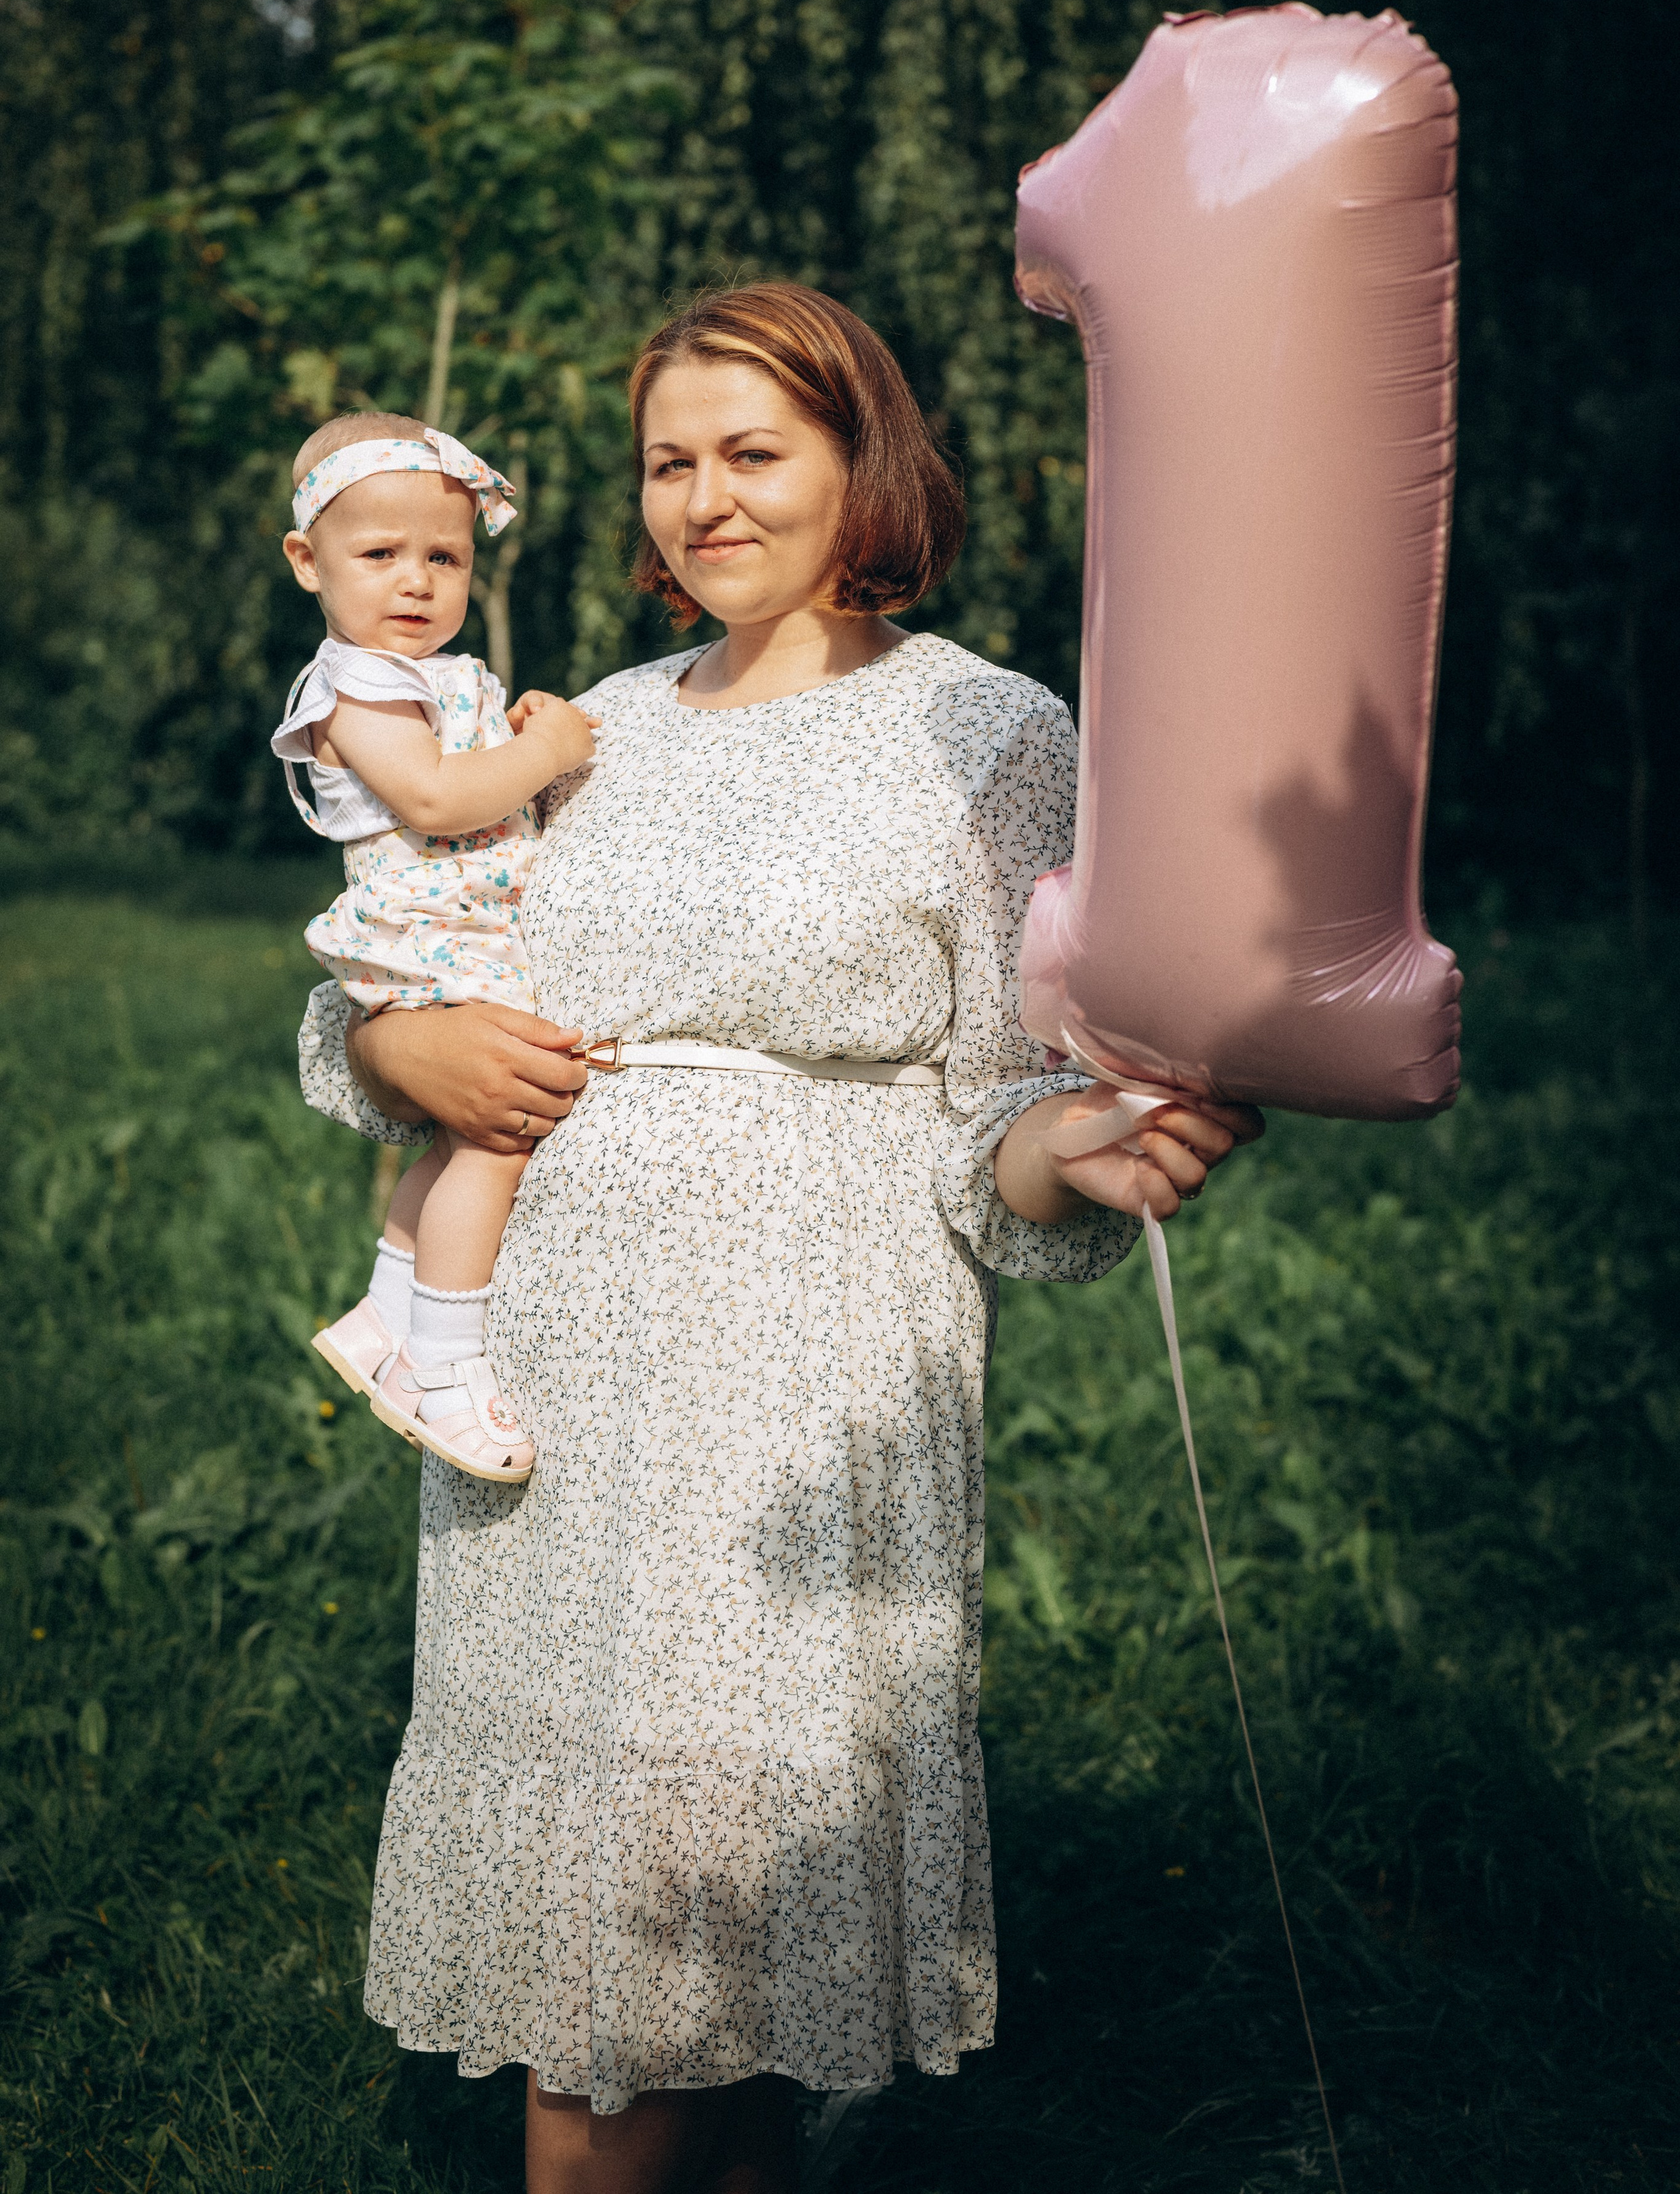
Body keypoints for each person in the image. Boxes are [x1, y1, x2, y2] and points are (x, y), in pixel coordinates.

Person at [296, 285, 1259, 2193]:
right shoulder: (588, 723)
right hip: (554, 1366)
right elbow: (394, 966)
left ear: (861, 461)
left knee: (723, 1949)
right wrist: (404, 1049)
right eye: (669, 461)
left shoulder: (988, 730)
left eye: (752, 453)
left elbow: (993, 1109)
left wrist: (1085, 1147)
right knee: (610, 1975)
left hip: (808, 1378)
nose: (704, 500)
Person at [273, 411, 597, 1481]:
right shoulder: (356, 683)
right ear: (308, 562)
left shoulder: (428, 674)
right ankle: (445, 1366)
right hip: (428, 937)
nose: (415, 581)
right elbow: (438, 798)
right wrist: (547, 750)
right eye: (379, 554)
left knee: (461, 1139)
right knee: (498, 1140)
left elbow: (476, 766)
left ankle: (385, 1312)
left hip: (458, 931)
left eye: (444, 558)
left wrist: (525, 733)